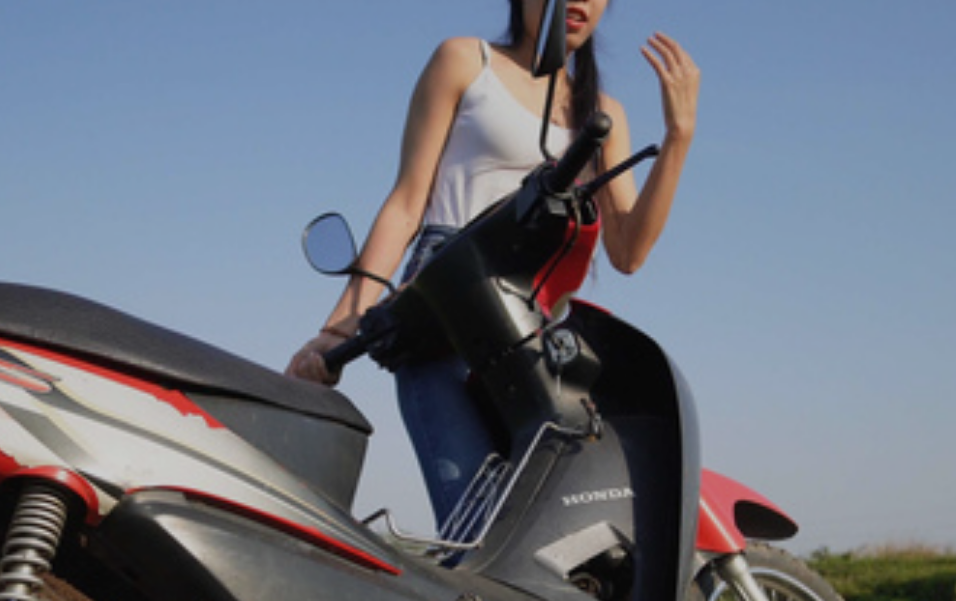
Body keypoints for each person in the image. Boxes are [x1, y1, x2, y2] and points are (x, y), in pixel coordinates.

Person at [286, 0, 700, 523]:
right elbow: (408, 202)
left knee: (553, 524)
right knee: (475, 516)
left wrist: (678, 136)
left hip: (529, 324)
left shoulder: (603, 114)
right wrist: (339, 327)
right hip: (443, 302)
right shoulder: (465, 61)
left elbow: (629, 251)